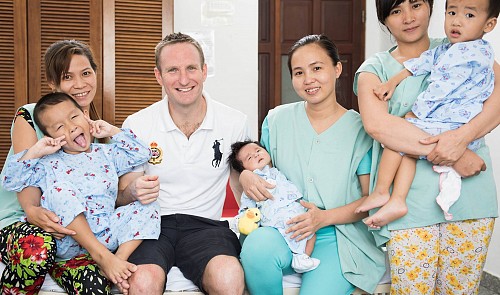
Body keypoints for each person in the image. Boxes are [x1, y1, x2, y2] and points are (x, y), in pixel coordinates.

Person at [354, 0, 500, 293]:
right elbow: (378, 126)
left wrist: (461, 139)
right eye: (396, 11)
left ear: (431, 8)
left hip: (471, 197)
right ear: (384, 19)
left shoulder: (461, 46)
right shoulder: (375, 69)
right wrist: (456, 154)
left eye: (416, 5)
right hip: (411, 206)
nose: (408, 17)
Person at [239, 35, 386, 295]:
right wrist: (245, 178)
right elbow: (261, 168)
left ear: (337, 68)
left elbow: (369, 200)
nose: (308, 79)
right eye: (299, 72)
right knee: (256, 250)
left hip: (338, 236)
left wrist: (323, 218)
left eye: (317, 68)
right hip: (282, 229)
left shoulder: (361, 129)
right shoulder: (276, 120)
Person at [116, 32, 250, 295]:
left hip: (207, 227)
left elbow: (240, 190)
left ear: (204, 71)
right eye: (173, 70)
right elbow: (122, 195)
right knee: (142, 282)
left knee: (228, 276)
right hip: (151, 225)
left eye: (191, 68)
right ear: (159, 76)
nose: (184, 79)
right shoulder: (136, 124)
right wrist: (133, 190)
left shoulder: (235, 122)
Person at [2, 92, 160, 288]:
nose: (71, 127)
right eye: (60, 127)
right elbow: (11, 181)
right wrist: (36, 151)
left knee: (149, 204)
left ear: (85, 115)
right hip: (69, 240)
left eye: (74, 117)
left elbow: (142, 153)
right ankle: (102, 257)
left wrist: (111, 130)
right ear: (52, 137)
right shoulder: (47, 162)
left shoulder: (107, 153)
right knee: (59, 190)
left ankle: (117, 259)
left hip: (107, 233)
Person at [0, 40, 116, 294]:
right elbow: (28, 194)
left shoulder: (95, 131)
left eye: (86, 73)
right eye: (68, 77)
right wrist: (32, 210)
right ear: (53, 84)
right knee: (38, 246)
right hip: (21, 220)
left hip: (71, 232)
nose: (80, 84)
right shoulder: (29, 116)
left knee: (95, 284)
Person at [228, 140, 320, 274]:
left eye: (258, 150)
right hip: (275, 220)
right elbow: (247, 204)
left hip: (295, 213)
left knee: (311, 235)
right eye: (249, 157)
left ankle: (301, 257)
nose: (256, 155)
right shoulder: (253, 182)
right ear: (244, 170)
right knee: (284, 238)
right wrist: (244, 217)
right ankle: (297, 256)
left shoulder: (279, 170)